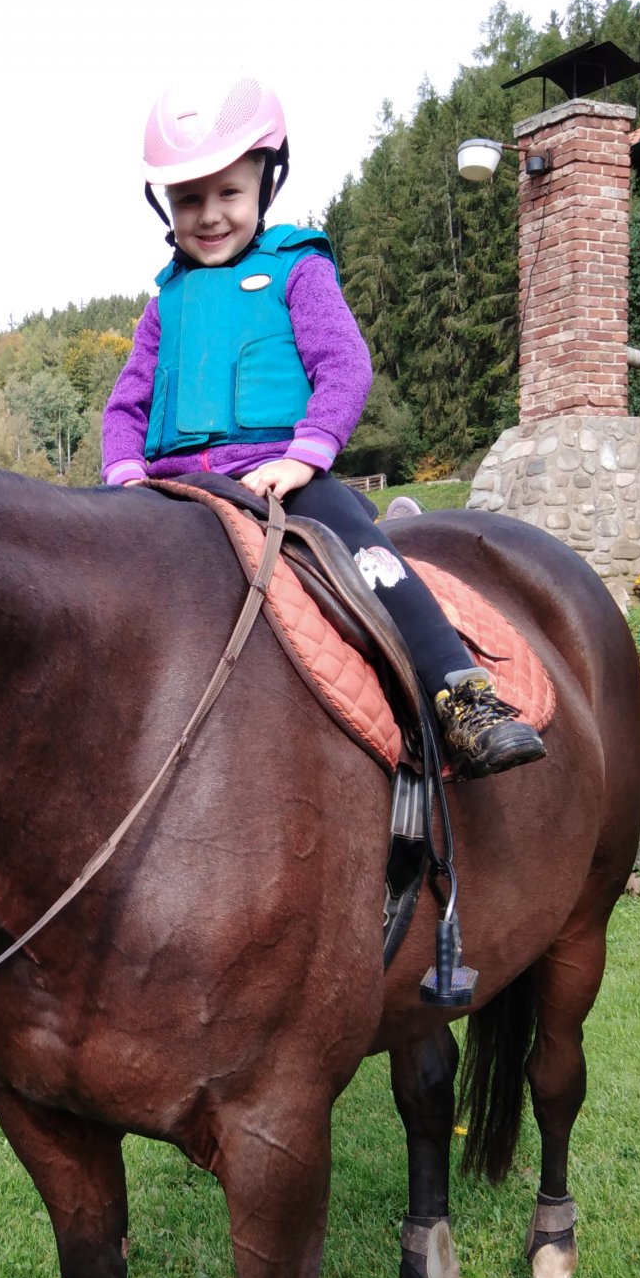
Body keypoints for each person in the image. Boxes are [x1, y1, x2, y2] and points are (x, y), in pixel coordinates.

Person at [103, 73, 545, 780]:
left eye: (228, 194)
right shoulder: (165, 304)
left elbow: (344, 366)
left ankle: (461, 693)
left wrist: (306, 457)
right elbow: (125, 406)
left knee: (370, 558)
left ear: (265, 185)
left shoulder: (297, 270)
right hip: (170, 490)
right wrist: (124, 477)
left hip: (282, 474)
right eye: (190, 199)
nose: (210, 214)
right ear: (167, 205)